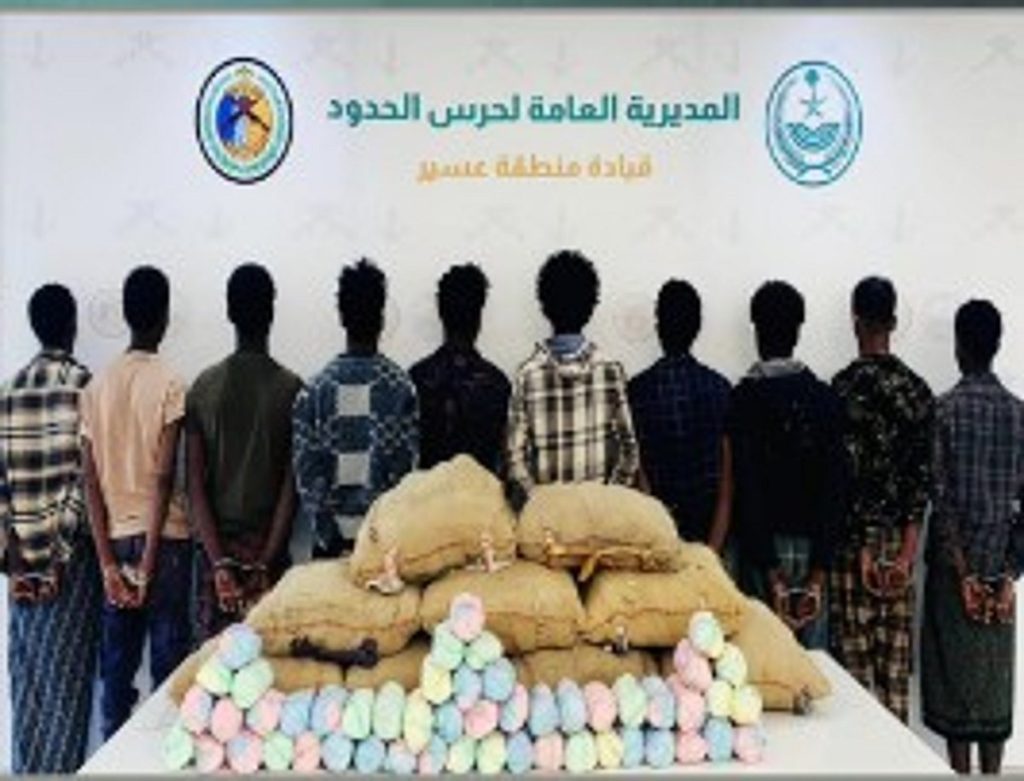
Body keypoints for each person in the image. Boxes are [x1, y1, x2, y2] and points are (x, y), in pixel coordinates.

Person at [81, 266, 191, 739]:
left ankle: (114, 758)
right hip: (164, 545)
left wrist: (108, 563)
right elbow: (163, 477)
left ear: (126, 314)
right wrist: (147, 562)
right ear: (164, 316)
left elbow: (89, 480)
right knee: (168, 677)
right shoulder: (171, 383)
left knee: (116, 675)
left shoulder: (95, 388)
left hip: (115, 539)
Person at [0, 284, 101, 772]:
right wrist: (58, 556)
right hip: (71, 566)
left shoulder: (7, 391)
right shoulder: (86, 388)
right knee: (69, 691)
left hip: (21, 569)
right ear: (73, 326)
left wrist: (17, 561)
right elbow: (86, 480)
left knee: (29, 689)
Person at [921, 300, 1023, 775]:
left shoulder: (944, 411)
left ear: (959, 346)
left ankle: (960, 775)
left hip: (953, 576)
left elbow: (941, 502)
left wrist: (963, 574)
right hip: (999, 575)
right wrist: (1008, 574)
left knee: (955, 699)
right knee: (992, 695)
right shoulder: (1019, 415)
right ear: (997, 345)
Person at [830, 277, 933, 723]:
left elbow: (842, 481)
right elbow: (922, 481)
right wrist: (907, 553)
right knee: (895, 683)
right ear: (893, 322)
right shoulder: (918, 391)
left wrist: (864, 548)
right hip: (900, 547)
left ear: (855, 321)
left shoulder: (840, 390)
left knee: (853, 689)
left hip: (852, 548)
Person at [727, 280, 846, 649]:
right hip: (814, 553)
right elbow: (835, 488)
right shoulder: (825, 399)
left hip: (761, 555)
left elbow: (746, 487)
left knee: (760, 666)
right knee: (813, 666)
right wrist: (818, 576)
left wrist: (773, 574)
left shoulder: (743, 400)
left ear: (756, 331)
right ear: (798, 331)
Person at [187, 264, 303, 641]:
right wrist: (265, 561)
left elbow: (194, 486)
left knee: (213, 668)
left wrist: (220, 563)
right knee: (269, 668)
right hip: (269, 557)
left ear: (228, 311)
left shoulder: (203, 388)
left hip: (215, 555)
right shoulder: (292, 390)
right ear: (272, 312)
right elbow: (291, 487)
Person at [292, 259, 418, 558]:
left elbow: (307, 478)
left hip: (328, 551)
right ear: (382, 317)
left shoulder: (313, 391)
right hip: (383, 550)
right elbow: (405, 474)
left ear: (341, 316)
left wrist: (331, 538)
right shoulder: (401, 387)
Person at [506, 249, 639, 508]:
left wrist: (539, 506)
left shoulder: (527, 375)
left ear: (544, 306)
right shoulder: (611, 371)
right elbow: (630, 452)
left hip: (546, 527)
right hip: (600, 523)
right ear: (591, 307)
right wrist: (607, 502)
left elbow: (514, 460)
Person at [628, 279, 732, 545]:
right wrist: (713, 550)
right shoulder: (720, 389)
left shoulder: (637, 391)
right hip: (709, 532)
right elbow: (726, 480)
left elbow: (639, 475)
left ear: (658, 327)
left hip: (657, 535)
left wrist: (660, 540)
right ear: (697, 327)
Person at [410, 264, 510, 473]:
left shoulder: (416, 380)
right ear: (479, 317)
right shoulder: (498, 385)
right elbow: (504, 464)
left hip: (428, 494)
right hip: (482, 493)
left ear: (440, 312)